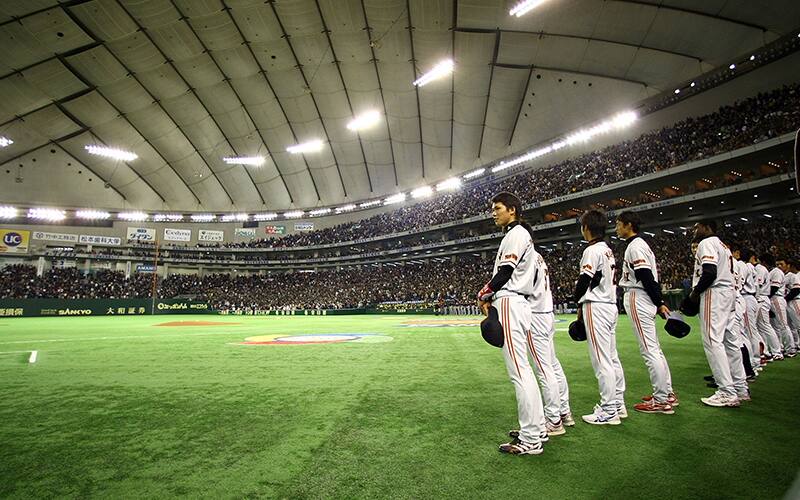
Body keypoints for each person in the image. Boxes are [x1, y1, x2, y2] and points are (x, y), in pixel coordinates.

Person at [478, 192, 544, 455]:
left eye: (498, 208)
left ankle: (530, 439)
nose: (494, 213)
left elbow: (505, 272)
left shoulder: (515, 234)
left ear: (513, 210)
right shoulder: (518, 235)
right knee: (524, 370)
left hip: (511, 302)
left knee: (519, 372)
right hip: (517, 302)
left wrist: (484, 292)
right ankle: (535, 429)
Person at [614, 211, 677, 414]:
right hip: (644, 296)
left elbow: (645, 275)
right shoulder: (641, 245)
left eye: (619, 224)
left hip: (638, 295)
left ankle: (660, 399)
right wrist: (658, 302)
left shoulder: (636, 246)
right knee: (654, 347)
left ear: (629, 225)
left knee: (649, 349)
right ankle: (666, 392)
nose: (617, 228)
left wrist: (659, 301)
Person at [683, 220, 742, 407]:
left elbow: (709, 273)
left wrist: (694, 293)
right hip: (729, 293)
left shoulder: (706, 243)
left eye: (697, 226)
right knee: (731, 342)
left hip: (714, 293)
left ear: (708, 228)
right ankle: (740, 387)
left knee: (712, 340)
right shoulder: (723, 245)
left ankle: (726, 391)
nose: (694, 230)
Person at [574, 209, 625, 425]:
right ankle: (618, 403)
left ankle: (608, 410)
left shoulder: (592, 250)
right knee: (612, 357)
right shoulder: (607, 250)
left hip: (596, 306)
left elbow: (585, 280)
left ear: (586, 228)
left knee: (601, 360)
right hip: (610, 305)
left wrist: (577, 300)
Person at [527, 248, 574, 435]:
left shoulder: (526, 256)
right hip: (547, 313)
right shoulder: (538, 256)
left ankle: (554, 420)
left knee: (543, 369)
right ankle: (564, 412)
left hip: (535, 314)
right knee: (552, 365)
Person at [764, 253, 797, 357]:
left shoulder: (776, 272)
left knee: (783, 325)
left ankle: (791, 349)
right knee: (776, 327)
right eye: (777, 264)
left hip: (777, 299)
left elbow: (774, 288)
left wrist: (766, 298)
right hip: (774, 299)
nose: (779, 266)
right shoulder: (774, 271)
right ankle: (781, 347)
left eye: (781, 264)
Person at [754, 253, 784, 361]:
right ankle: (766, 351)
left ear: (763, 261)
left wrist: (756, 298)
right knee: (761, 327)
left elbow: (758, 285)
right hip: (763, 298)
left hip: (761, 298)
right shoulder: (764, 269)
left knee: (765, 326)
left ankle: (776, 351)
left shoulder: (761, 269)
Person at [740, 248, 765, 371]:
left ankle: (754, 362)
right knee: (750, 332)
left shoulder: (744, 266)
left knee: (749, 333)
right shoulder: (750, 267)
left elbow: (739, 285)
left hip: (746, 298)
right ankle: (755, 361)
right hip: (751, 298)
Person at [784, 259, 800, 347]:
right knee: (791, 326)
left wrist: (785, 299)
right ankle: (796, 344)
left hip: (795, 301)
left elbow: (797, 290)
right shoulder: (785, 275)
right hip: (788, 302)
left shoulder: (794, 275)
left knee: (798, 324)